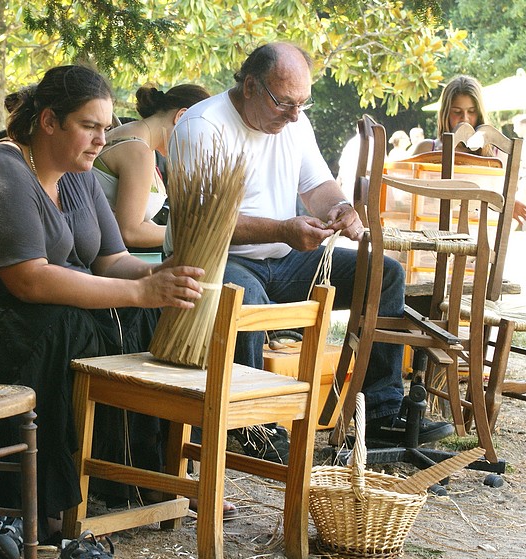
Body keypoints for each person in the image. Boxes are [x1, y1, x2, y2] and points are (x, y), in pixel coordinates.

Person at [0, 65, 206, 537]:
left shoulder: (77, 171)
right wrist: (138, 291)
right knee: (66, 324)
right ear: (48, 121)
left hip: (15, 322)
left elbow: (112, 260)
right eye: (89, 126)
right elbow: (30, 282)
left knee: (145, 317)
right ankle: (38, 500)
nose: (101, 140)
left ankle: (130, 477)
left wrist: (160, 276)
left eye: (105, 128)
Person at [169, 42, 454, 452]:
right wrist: (284, 230)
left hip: (282, 258)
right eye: (284, 103)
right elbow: (205, 224)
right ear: (250, 86)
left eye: (302, 103)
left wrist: (340, 208)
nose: (294, 115)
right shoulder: (203, 126)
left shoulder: (294, 122)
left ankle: (380, 413)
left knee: (383, 273)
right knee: (245, 295)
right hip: (211, 260)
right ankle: (255, 426)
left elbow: (318, 185)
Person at [92, 84, 210, 251]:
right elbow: (130, 232)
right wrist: (196, 234)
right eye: (200, 134)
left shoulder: (135, 138)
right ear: (181, 117)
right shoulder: (138, 151)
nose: (197, 144)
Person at [434, 75, 526, 227]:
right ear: (445, 113)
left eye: (471, 111)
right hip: (431, 235)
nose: (465, 119)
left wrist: (508, 202)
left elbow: (505, 198)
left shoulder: (499, 154)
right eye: (457, 111)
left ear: (480, 113)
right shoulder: (428, 149)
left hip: (480, 239)